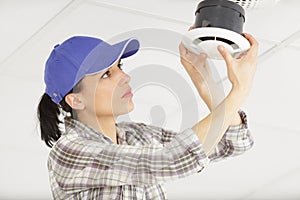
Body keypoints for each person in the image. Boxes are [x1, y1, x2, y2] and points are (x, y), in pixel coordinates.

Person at [37, 26, 258, 199]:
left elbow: (232, 141)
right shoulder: (70, 151)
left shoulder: (137, 136)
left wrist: (204, 81)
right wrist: (239, 90)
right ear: (75, 100)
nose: (125, 77)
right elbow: (172, 158)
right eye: (106, 74)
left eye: (120, 67)